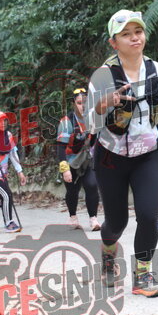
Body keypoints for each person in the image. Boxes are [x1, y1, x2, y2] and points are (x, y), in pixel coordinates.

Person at [86, 9, 158, 298]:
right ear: (114, 42)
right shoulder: (103, 76)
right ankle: (108, 255)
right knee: (117, 222)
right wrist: (103, 104)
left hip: (147, 155)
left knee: (149, 214)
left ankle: (143, 276)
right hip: (110, 158)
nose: (134, 38)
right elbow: (90, 123)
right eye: (126, 34)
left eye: (138, 32)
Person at [56, 88, 100, 231]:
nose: (83, 106)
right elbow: (60, 148)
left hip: (86, 160)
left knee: (92, 185)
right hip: (70, 161)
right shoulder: (66, 122)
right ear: (74, 104)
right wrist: (65, 170)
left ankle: (93, 219)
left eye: (86, 103)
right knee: (72, 191)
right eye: (80, 103)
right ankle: (73, 216)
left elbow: (93, 142)